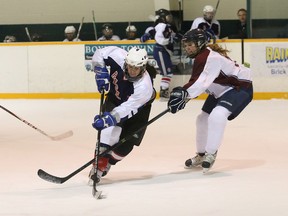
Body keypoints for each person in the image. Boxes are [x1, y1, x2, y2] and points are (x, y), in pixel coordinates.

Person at [167, 28, 253, 173]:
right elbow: (198, 82)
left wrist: (184, 93)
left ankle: (211, 153)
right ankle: (201, 155)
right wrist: (185, 96)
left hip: (239, 87)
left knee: (217, 115)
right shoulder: (201, 57)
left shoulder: (209, 58)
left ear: (200, 43)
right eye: (185, 45)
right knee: (202, 119)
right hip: (219, 89)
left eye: (190, 45)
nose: (187, 48)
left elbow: (201, 82)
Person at [89, 46, 157, 183]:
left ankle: (109, 162)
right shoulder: (118, 56)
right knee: (108, 133)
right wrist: (100, 71)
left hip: (139, 109)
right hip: (115, 98)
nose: (132, 71)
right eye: (130, 66)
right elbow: (99, 54)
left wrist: (109, 118)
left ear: (143, 68)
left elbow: (127, 108)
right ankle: (99, 167)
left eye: (136, 68)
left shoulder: (144, 87)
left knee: (126, 145)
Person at [153, 8, 178, 100]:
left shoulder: (165, 26)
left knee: (168, 72)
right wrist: (170, 40)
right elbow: (159, 39)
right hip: (161, 50)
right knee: (167, 72)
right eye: (167, 16)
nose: (169, 18)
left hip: (164, 51)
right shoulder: (161, 25)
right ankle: (163, 91)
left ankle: (164, 90)